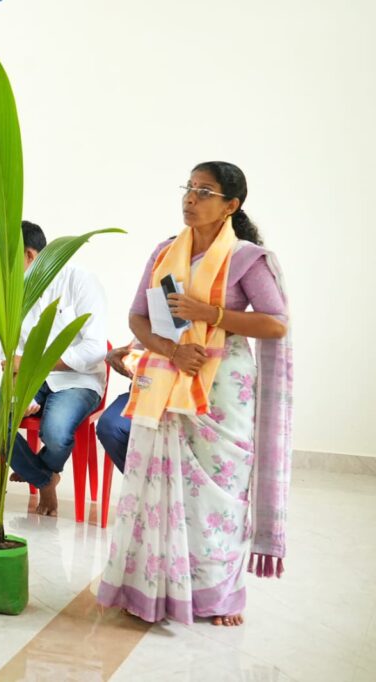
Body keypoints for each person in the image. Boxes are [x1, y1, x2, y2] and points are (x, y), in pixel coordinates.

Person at [97, 161, 292, 628]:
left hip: (222, 389)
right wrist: (172, 350)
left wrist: (210, 313)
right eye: (189, 187)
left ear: (230, 205)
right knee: (155, 489)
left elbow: (275, 323)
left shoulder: (246, 259)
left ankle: (219, 597)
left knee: (216, 497)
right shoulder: (165, 252)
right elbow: (138, 317)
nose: (190, 198)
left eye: (205, 192)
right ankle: (151, 590)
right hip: (167, 378)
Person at [0, 221, 108, 516]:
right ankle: (45, 479)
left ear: (30, 255)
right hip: (28, 379)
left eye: (7, 260)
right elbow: (9, 354)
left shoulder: (80, 281)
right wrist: (19, 392)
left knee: (56, 432)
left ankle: (39, 471)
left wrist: (34, 364)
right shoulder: (13, 294)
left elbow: (94, 350)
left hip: (78, 379)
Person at [96, 342, 137, 472]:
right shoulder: (148, 330)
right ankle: (137, 478)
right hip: (140, 394)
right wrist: (116, 356)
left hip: (183, 401)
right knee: (110, 427)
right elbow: (134, 351)